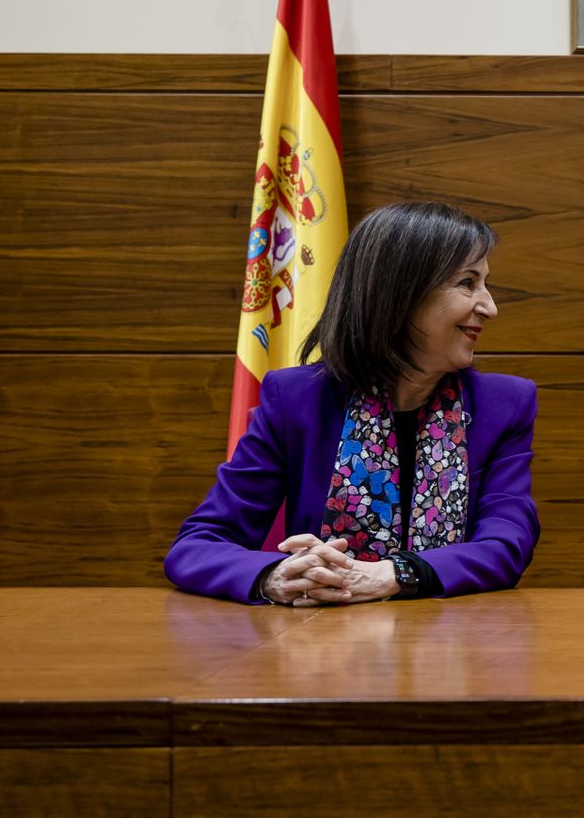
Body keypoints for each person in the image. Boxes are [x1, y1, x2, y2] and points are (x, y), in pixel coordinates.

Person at [167, 201, 539, 605]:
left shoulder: (504, 405)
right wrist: (277, 577)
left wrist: (394, 574)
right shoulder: (295, 399)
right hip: (320, 647)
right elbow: (196, 547)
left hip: (452, 648)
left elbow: (507, 545)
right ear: (400, 293)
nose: (490, 306)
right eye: (468, 283)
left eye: (485, 283)